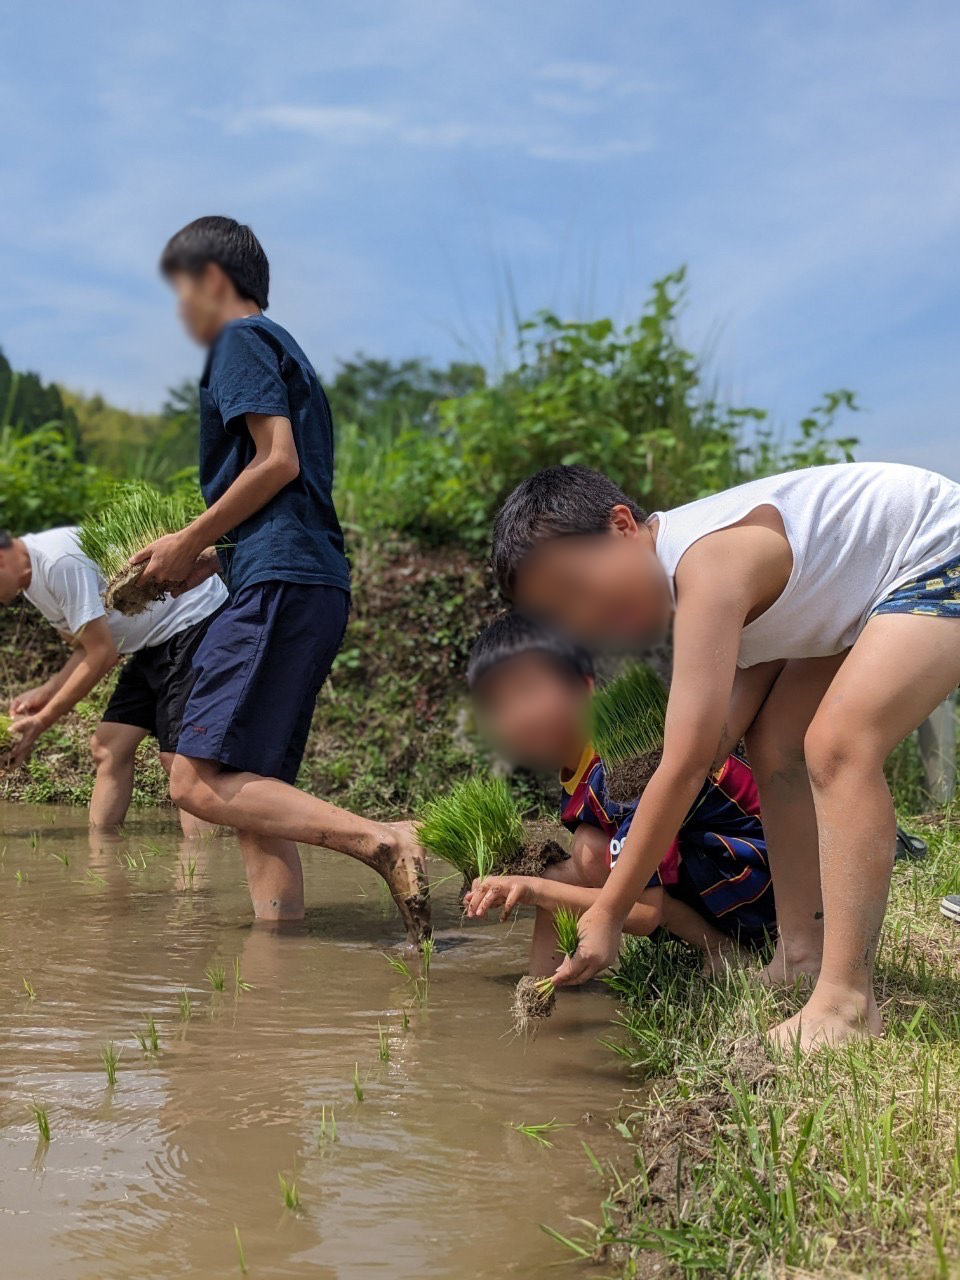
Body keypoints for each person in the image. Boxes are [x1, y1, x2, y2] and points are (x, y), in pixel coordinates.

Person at [490, 460, 960, 1049]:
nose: (582, 619)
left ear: (621, 527)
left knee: (837, 746)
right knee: (774, 745)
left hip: (938, 547)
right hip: (859, 594)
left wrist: (608, 911)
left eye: (577, 589)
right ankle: (802, 956)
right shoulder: (702, 580)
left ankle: (846, 1002)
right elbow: (716, 737)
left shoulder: (705, 566)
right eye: (560, 615)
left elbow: (686, 763)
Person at [131, 216, 428, 936]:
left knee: (195, 780)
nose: (182, 313)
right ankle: (278, 962)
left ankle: (382, 838)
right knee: (254, 795)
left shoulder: (239, 340)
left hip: (282, 581)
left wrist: (190, 536)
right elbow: (287, 492)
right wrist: (210, 556)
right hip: (302, 577)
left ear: (211, 280)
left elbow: (277, 461)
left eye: (182, 293)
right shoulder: (281, 349)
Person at [462, 612, 775, 976]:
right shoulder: (582, 771)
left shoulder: (620, 766)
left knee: (589, 855)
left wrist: (533, 889)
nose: (517, 716)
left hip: (767, 889)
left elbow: (643, 914)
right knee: (577, 859)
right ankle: (546, 987)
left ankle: (725, 952)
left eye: (528, 691)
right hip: (737, 884)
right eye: (497, 706)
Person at [0, 525, 226, 834]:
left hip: (194, 621)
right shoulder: (30, 582)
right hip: (152, 641)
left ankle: (199, 878)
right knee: (107, 747)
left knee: (181, 761)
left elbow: (102, 655)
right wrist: (46, 692)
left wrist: (41, 722)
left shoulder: (57, 562)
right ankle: (101, 865)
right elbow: (87, 648)